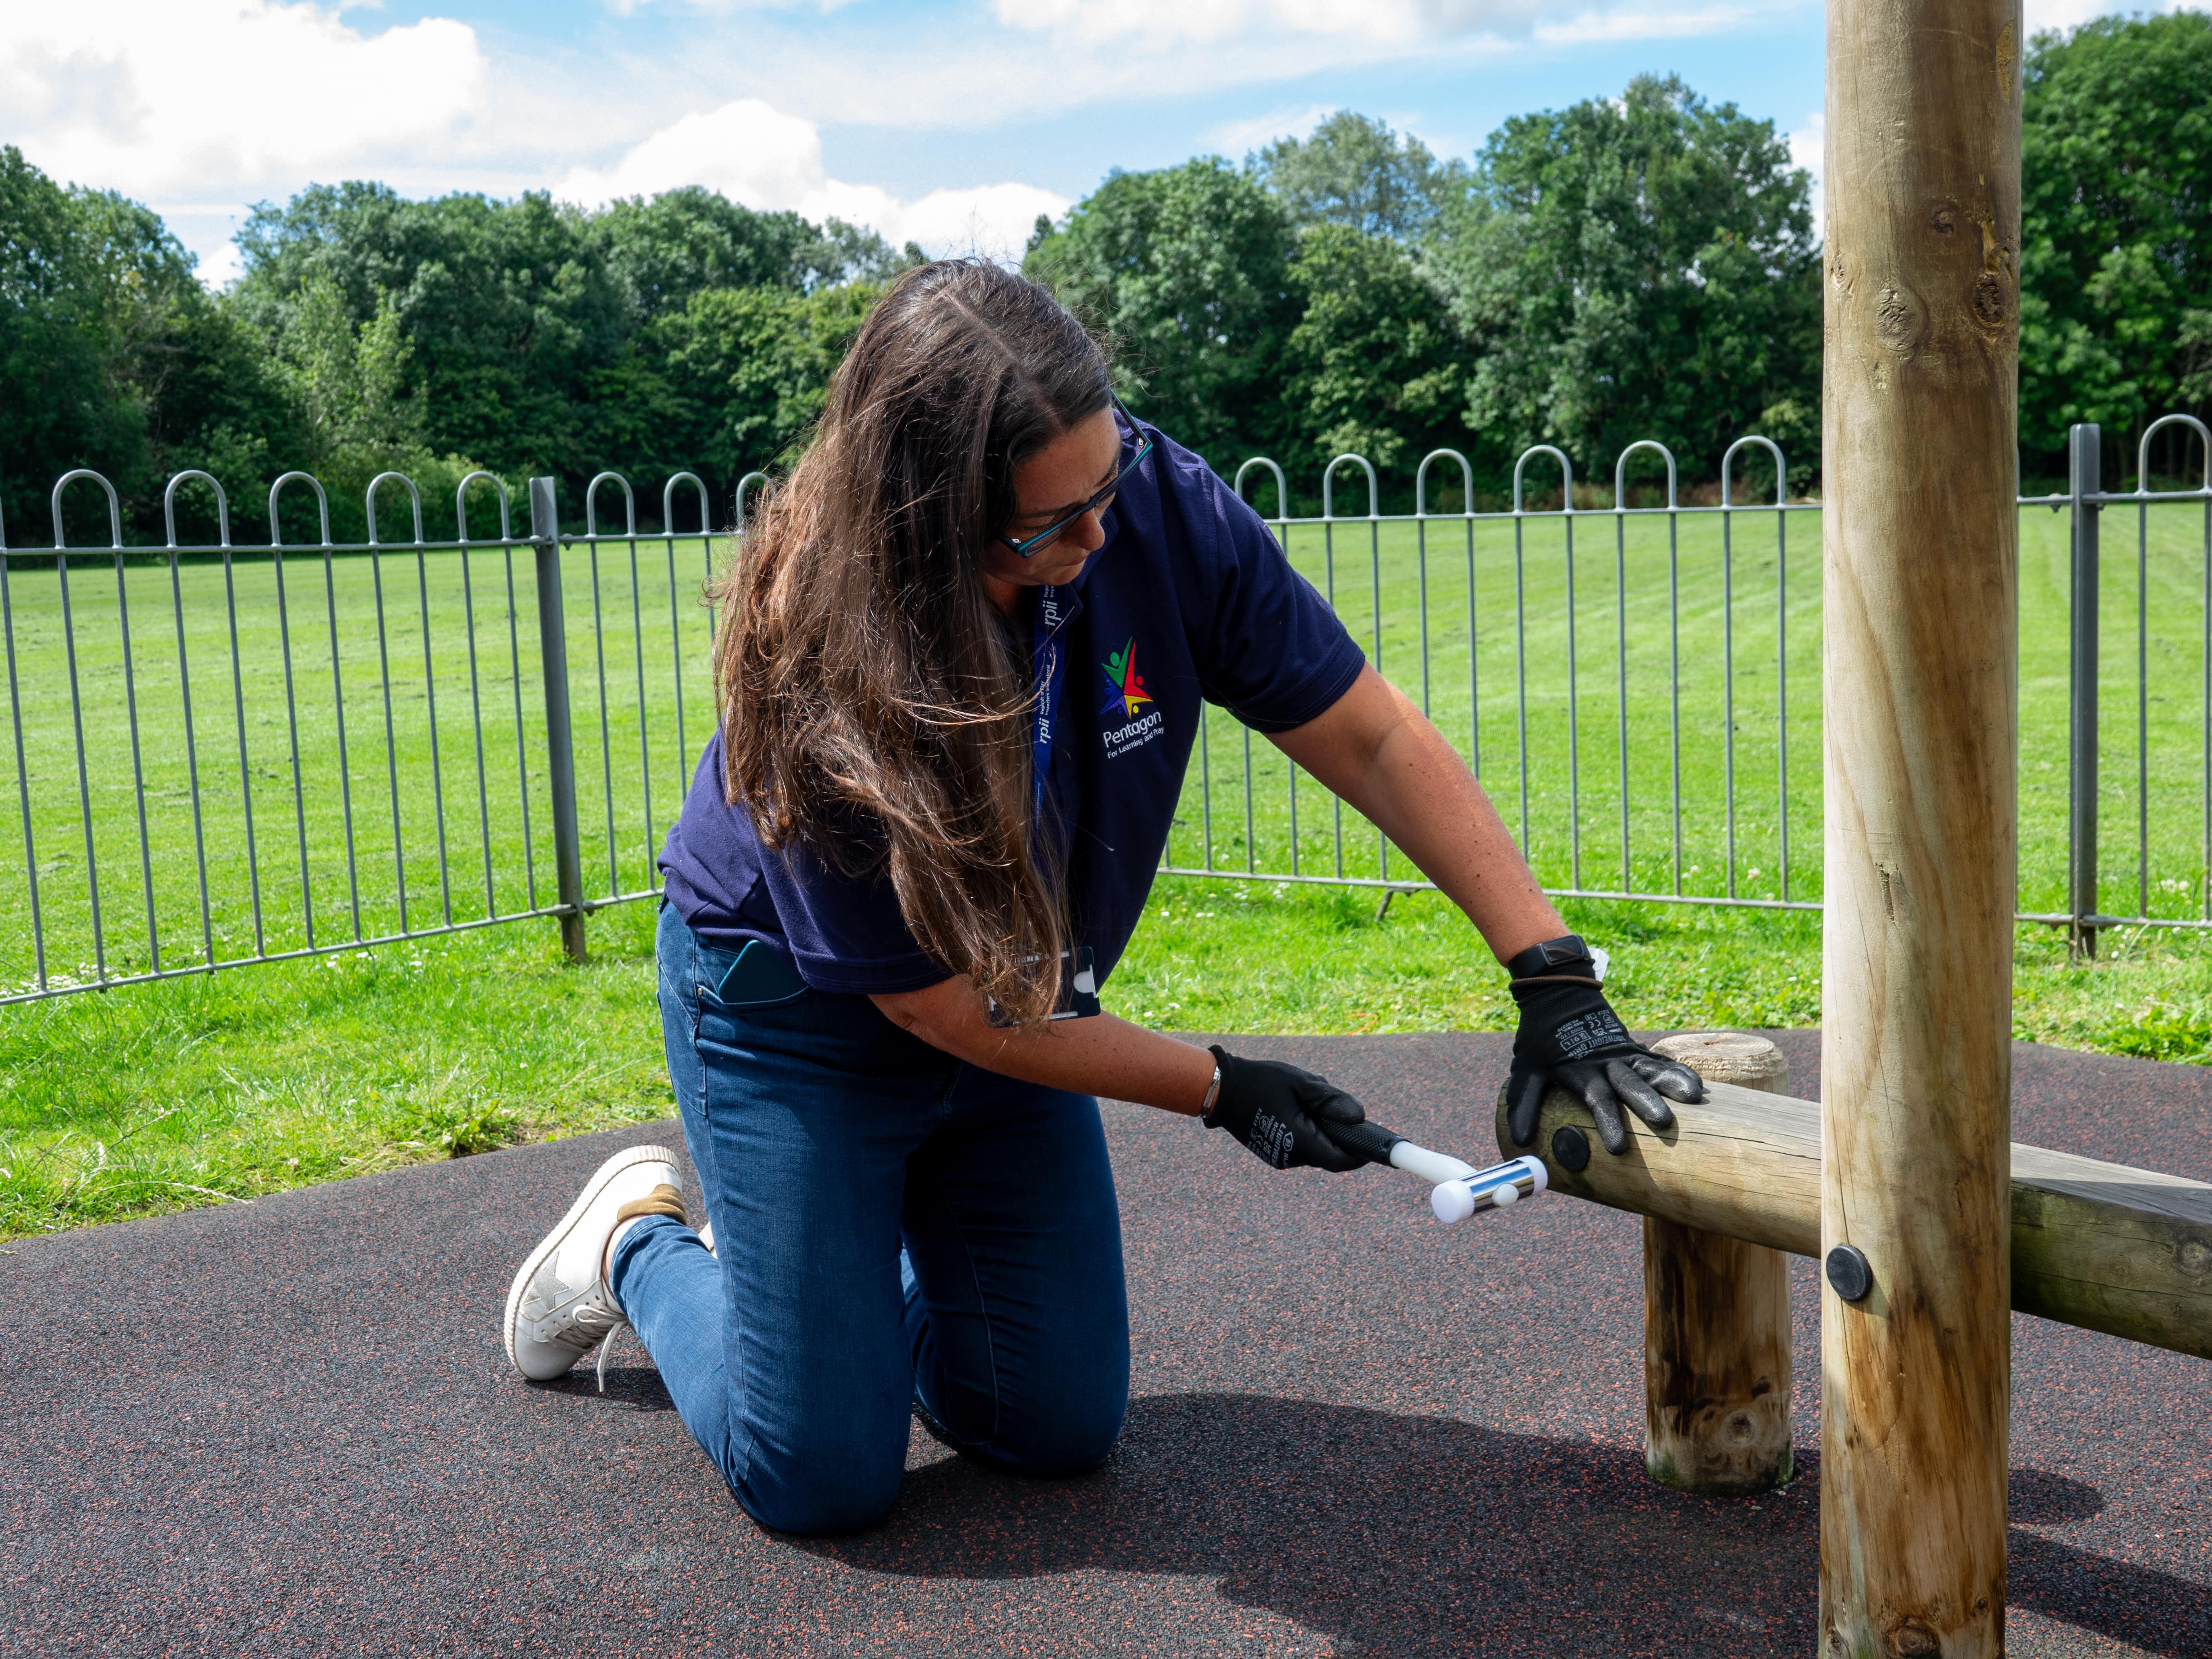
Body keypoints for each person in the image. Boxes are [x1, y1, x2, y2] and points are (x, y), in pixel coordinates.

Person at [501, 259, 1702, 1533]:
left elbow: (1369, 738)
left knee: (1052, 1422)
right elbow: (944, 1016)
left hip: (1012, 997)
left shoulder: (1153, 506)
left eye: (1107, 484)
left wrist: (1552, 976)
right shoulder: (826, 665)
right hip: (800, 1024)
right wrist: (1224, 1087)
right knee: (821, 1477)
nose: (1100, 540)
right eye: (1045, 528)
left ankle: (824, 1267)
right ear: (927, 528)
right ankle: (637, 1243)